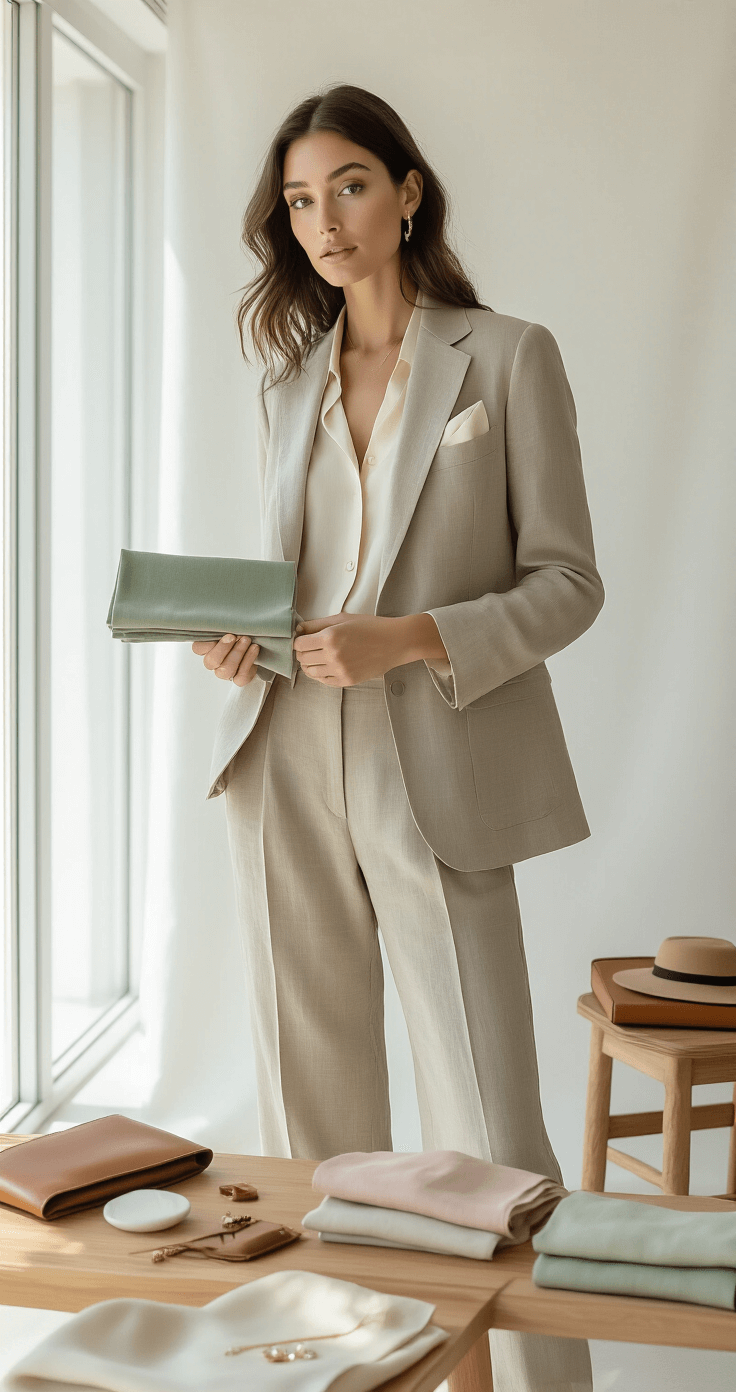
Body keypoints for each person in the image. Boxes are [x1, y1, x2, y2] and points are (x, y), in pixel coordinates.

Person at [193, 83, 603, 1392]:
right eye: (302, 200)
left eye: (349, 186)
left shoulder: (508, 355)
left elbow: (568, 583)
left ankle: (543, 1385)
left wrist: (414, 635)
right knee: (316, 1131)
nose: (325, 220)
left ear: (409, 190)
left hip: (439, 757)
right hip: (286, 757)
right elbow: (292, 578)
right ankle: (343, 1371)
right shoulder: (286, 385)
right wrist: (241, 638)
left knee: (489, 1123)